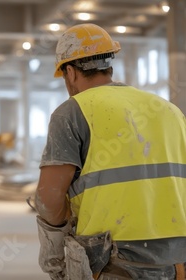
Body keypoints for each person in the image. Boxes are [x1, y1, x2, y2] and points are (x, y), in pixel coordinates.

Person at [34, 23, 186, 279]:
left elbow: (49, 197)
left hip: (113, 260)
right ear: (109, 65)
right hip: (177, 259)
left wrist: (53, 255)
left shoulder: (72, 112)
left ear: (70, 73)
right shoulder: (170, 111)